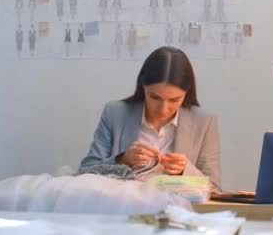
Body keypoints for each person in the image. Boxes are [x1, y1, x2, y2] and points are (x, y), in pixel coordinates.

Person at [80, 46, 221, 191]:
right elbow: (86, 171)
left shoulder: (204, 122)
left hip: (175, 209)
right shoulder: (115, 113)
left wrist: (184, 170)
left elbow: (214, 188)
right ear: (143, 86)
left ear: (187, 92)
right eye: (154, 97)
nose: (163, 109)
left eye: (174, 100)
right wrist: (122, 160)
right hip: (123, 205)